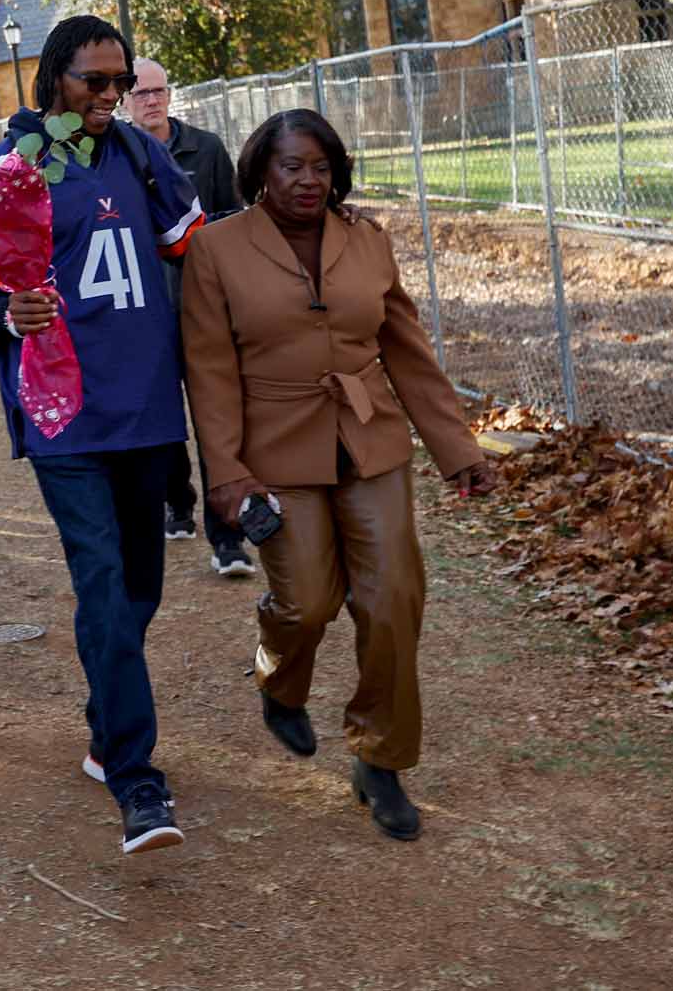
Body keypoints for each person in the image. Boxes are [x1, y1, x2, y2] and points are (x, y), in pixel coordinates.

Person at [180, 108, 493, 844]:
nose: (307, 181)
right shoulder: (217, 249)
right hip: (273, 451)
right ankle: (276, 675)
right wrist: (226, 472)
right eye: (292, 166)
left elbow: (407, 351)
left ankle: (380, 758)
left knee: (393, 597)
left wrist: (460, 449)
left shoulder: (367, 240)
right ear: (261, 170)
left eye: (321, 167)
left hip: (369, 437)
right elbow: (210, 369)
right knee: (307, 602)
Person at [0, 15, 204, 857]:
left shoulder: (141, 154)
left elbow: (198, 246)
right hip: (64, 412)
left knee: (139, 586)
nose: (109, 96)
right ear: (53, 78)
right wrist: (6, 313)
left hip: (146, 404)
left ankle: (106, 727)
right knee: (99, 578)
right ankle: (138, 778)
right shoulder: (14, 164)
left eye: (120, 81)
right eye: (92, 82)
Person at [125, 58, 253, 575]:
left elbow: (233, 219)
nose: (151, 101)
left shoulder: (207, 149)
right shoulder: (117, 157)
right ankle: (177, 498)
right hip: (147, 316)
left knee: (216, 422)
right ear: (124, 101)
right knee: (163, 422)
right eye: (140, 94)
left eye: (158, 91)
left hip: (204, 312)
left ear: (169, 95)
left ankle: (229, 539)